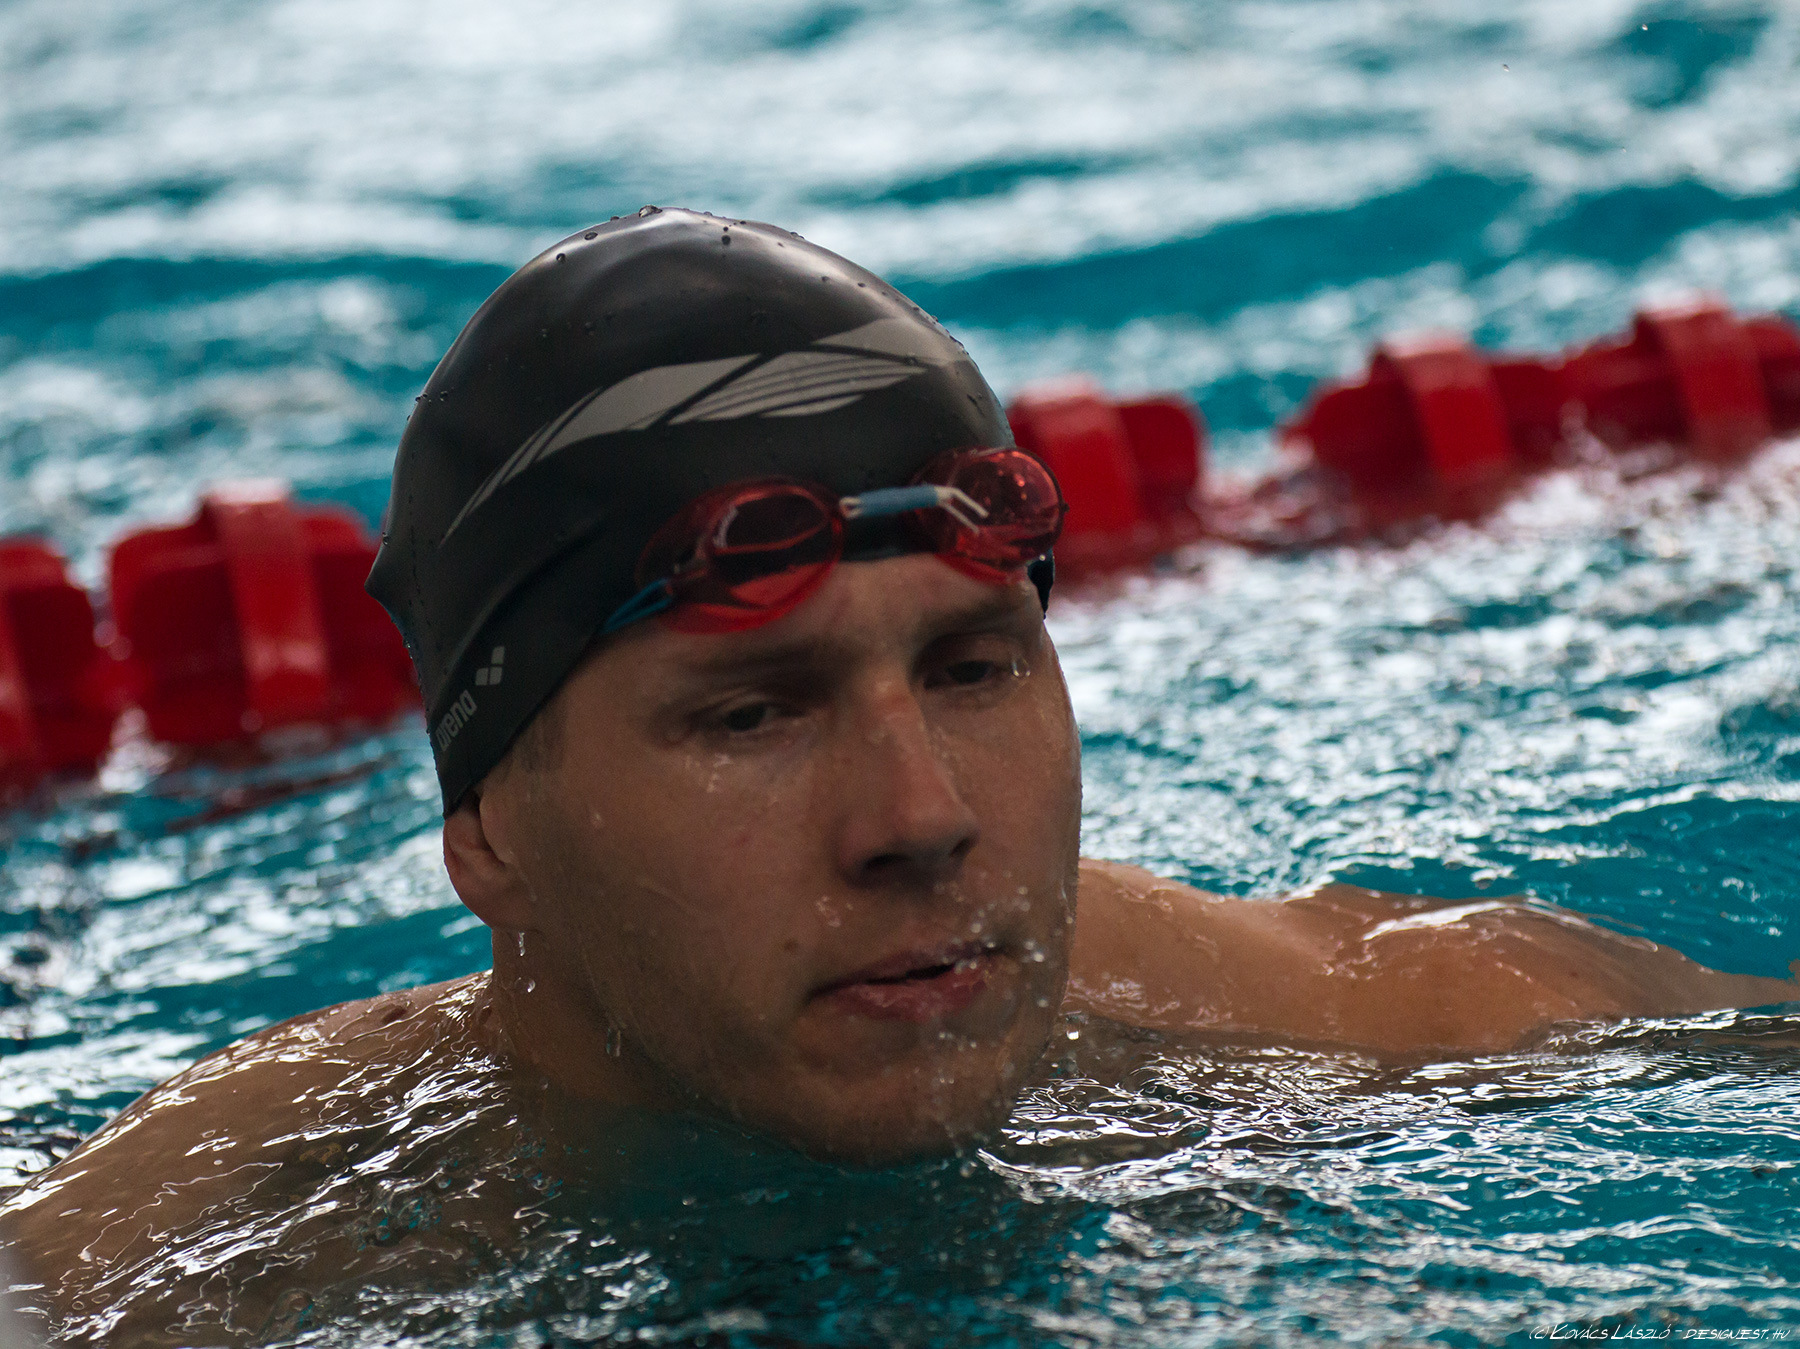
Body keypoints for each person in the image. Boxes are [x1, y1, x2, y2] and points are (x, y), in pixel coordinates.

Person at [2, 208, 1794, 1343]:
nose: (923, 818)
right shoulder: (190, 1255)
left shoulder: (1365, 1024)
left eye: (972, 666)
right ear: (487, 837)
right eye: (750, 714)